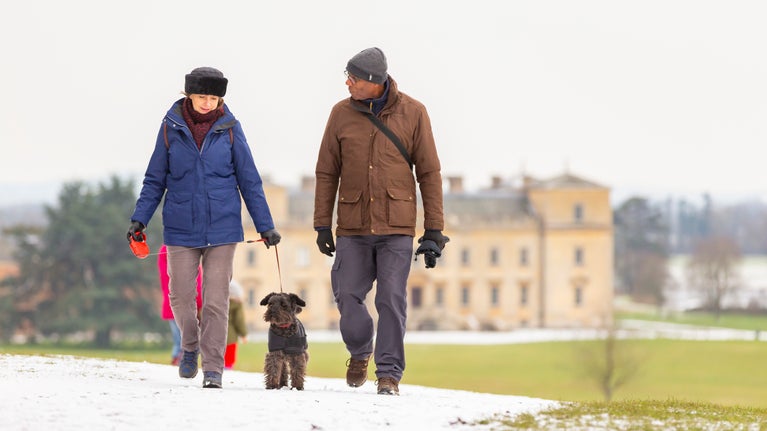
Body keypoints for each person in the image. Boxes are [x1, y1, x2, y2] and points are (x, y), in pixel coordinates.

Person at [127, 66, 281, 389]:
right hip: (181, 227)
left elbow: (249, 179)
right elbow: (155, 178)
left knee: (215, 299)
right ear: (189, 95)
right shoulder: (170, 128)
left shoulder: (230, 129)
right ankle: (190, 346)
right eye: (202, 97)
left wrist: (265, 225)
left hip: (223, 229)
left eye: (214, 97)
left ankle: (212, 368)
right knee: (181, 296)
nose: (208, 103)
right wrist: (139, 218)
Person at [313, 47, 448, 396]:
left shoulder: (414, 113)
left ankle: (388, 374)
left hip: (397, 229)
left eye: (353, 79)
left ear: (374, 82)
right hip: (353, 228)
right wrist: (321, 224)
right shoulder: (339, 114)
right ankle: (360, 351)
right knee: (346, 296)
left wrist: (434, 229)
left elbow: (429, 172)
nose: (347, 83)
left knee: (391, 300)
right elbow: (327, 172)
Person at [158, 244, 202, 365]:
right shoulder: (189, 249)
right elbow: (197, 281)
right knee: (185, 335)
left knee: (179, 337)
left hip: (171, 301)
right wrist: (200, 303)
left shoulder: (165, 250)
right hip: (187, 303)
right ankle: (182, 358)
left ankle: (178, 357)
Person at [224, 280, 247, 370]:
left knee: (216, 359)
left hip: (215, 337)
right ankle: (228, 371)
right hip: (231, 337)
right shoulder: (237, 305)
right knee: (229, 361)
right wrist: (243, 334)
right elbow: (239, 320)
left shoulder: (217, 303)